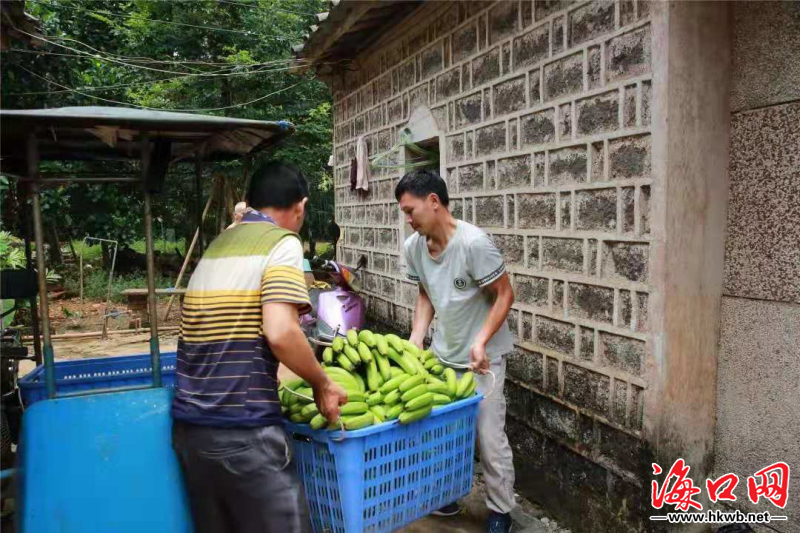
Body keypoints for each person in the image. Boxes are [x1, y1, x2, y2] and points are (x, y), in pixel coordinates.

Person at [171, 161, 348, 533]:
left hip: (191, 432)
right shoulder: (281, 243)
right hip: (243, 432)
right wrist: (323, 383)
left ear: (250, 202)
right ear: (299, 207)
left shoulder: (219, 244)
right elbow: (281, 332)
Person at [396, 169, 516, 533]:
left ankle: (500, 511)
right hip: (443, 355)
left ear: (434, 201)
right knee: (440, 432)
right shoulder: (413, 247)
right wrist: (418, 335)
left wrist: (480, 341)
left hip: (484, 361)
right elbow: (425, 293)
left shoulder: (473, 244)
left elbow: (505, 294)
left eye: (410, 209)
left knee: (489, 439)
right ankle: (445, 494)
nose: (407, 218)